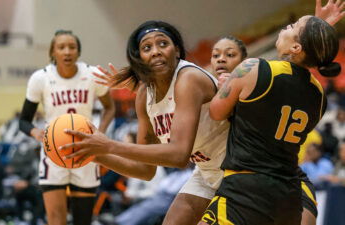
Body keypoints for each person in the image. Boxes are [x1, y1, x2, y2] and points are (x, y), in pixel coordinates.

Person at [60, 21, 230, 225]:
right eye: (147, 47)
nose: (156, 52)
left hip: (239, 170)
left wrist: (109, 145)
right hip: (207, 172)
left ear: (176, 50)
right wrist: (95, 154)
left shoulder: (189, 79)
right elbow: (145, 170)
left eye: (163, 44)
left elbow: (178, 155)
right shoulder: (144, 95)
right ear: (140, 58)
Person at [199, 13, 340, 225]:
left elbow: (216, 112)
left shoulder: (253, 68)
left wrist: (228, 88)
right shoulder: (319, 96)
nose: (285, 28)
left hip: (246, 189)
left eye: (292, 26)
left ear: (296, 48)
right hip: (289, 196)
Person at [19, 30, 115, 225]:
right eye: (61, 47)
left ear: (78, 52)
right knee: (55, 219)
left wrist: (100, 133)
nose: (67, 51)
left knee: (83, 220)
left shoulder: (92, 74)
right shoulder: (40, 78)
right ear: (53, 52)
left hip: (85, 149)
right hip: (53, 152)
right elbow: (24, 121)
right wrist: (37, 133)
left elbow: (110, 107)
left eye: (72, 47)